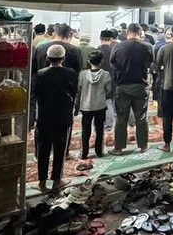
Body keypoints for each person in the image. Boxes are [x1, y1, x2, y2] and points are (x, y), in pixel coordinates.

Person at [31, 44, 77, 192]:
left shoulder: (40, 74)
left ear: (47, 58)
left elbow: (35, 95)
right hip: (62, 116)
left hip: (44, 117)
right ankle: (57, 180)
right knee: (60, 148)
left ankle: (42, 182)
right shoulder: (70, 73)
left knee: (43, 148)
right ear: (63, 58)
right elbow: (73, 93)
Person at [109, 23, 154, 155]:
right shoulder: (147, 46)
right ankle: (143, 146)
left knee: (121, 118)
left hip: (122, 86)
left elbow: (113, 64)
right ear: (140, 33)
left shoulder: (118, 46)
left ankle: (118, 148)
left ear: (127, 33)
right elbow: (150, 63)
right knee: (141, 117)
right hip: (141, 85)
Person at [74, 50, 113, 159]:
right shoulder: (106, 75)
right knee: (99, 129)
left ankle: (84, 153)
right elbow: (109, 91)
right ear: (101, 61)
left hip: (86, 106)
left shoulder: (82, 75)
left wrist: (76, 108)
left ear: (88, 61)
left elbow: (79, 91)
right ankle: (99, 151)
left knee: (85, 130)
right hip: (100, 106)